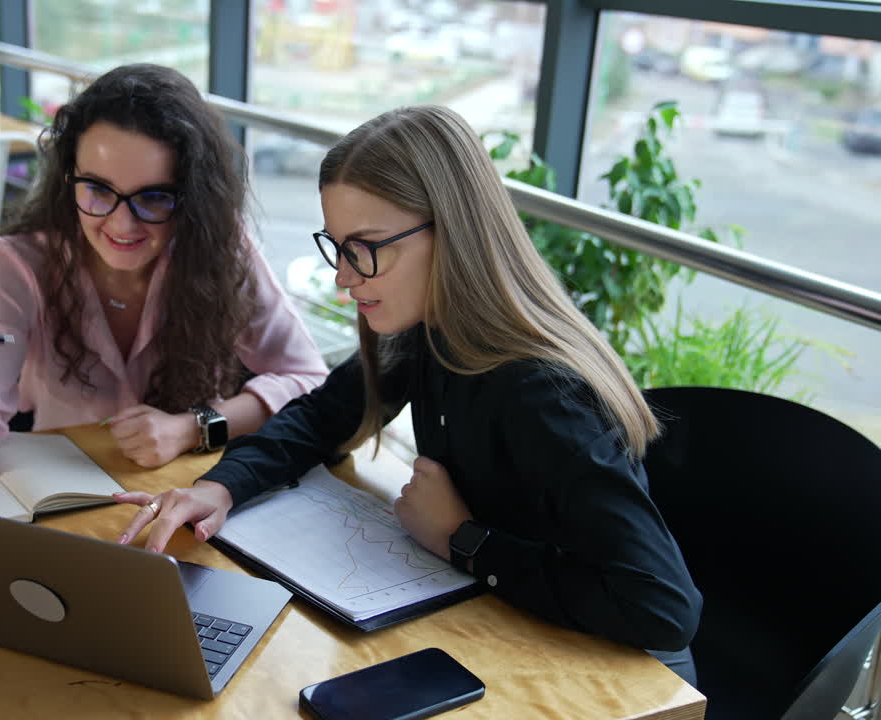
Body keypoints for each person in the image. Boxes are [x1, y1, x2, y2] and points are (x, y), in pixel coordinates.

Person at [115, 105, 703, 683]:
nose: (344, 277)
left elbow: (662, 608)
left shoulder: (542, 392)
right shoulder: (426, 329)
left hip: (621, 675)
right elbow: (323, 416)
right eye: (338, 246)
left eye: (365, 248)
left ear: (452, 235)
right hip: (510, 627)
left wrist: (465, 540)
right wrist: (221, 486)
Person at [0, 63, 328, 475]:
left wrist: (192, 428)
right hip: (62, 494)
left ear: (193, 199)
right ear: (68, 177)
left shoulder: (219, 247)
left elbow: (308, 380)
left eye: (154, 197)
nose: (121, 223)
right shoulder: (16, 265)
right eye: (96, 189)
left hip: (189, 493)